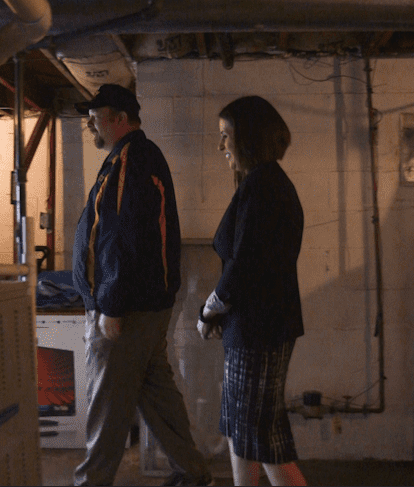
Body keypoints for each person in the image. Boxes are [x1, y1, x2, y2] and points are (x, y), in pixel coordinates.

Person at [71, 84, 214, 487]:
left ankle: (91, 483)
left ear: (119, 119)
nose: (91, 126)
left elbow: (122, 234)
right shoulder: (139, 156)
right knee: (157, 397)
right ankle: (194, 473)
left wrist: (111, 305)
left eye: (96, 118)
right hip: (147, 306)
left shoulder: (129, 159)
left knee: (106, 404)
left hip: (127, 309)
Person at [197, 96, 307, 486]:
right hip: (257, 328)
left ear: (248, 138)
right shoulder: (263, 184)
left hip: (258, 331)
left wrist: (210, 310)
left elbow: (244, 265)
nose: (221, 145)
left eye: (226, 135)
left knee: (257, 439)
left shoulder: (263, 187)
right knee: (247, 435)